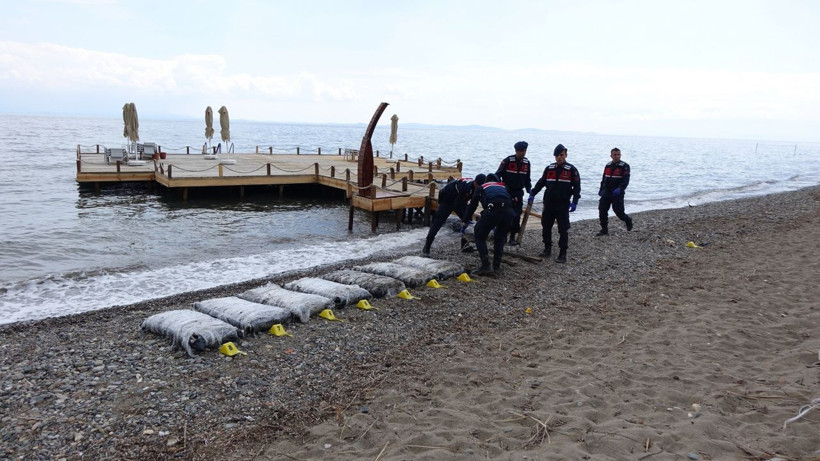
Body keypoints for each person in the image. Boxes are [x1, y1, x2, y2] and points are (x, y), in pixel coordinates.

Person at [528, 144, 581, 263]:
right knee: (546, 226)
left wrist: (575, 202)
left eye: (561, 155)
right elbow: (541, 182)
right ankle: (547, 248)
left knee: (563, 229)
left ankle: (563, 253)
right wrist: (533, 193)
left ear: (566, 155)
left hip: (562, 204)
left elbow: (577, 187)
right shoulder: (549, 168)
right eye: (557, 156)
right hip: (549, 203)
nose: (559, 158)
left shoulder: (571, 170)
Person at [462, 173, 515, 276]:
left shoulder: (482, 187)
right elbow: (511, 200)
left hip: (493, 210)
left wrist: (465, 220)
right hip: (509, 212)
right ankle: (496, 266)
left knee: (479, 234)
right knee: (500, 237)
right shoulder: (504, 186)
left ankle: (486, 265)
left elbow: (472, 206)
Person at [422, 175, 484, 256]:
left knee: (468, 221)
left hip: (460, 200)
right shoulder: (465, 187)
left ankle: (465, 245)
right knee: (438, 222)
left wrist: (467, 217)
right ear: (475, 183)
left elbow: (473, 203)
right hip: (447, 199)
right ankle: (427, 246)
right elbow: (458, 203)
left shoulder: (477, 188)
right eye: (478, 186)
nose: (479, 188)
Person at [495, 141, 532, 245]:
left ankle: (512, 237)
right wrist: (500, 187)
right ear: (516, 151)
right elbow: (497, 175)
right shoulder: (507, 161)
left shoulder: (526, 163)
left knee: (517, 215)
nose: (523, 153)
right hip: (507, 192)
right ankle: (502, 236)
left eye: (525, 151)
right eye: (521, 151)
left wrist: (530, 190)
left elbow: (527, 179)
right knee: (505, 215)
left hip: (519, 192)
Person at [596, 147, 633, 236]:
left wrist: (620, 189)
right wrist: (601, 189)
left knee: (619, 212)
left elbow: (626, 180)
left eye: (618, 154)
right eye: (614, 155)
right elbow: (604, 179)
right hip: (606, 192)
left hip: (617, 193)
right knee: (602, 210)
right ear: (611, 156)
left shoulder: (625, 166)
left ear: (620, 155)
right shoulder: (608, 165)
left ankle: (628, 220)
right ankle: (604, 229)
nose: (616, 156)